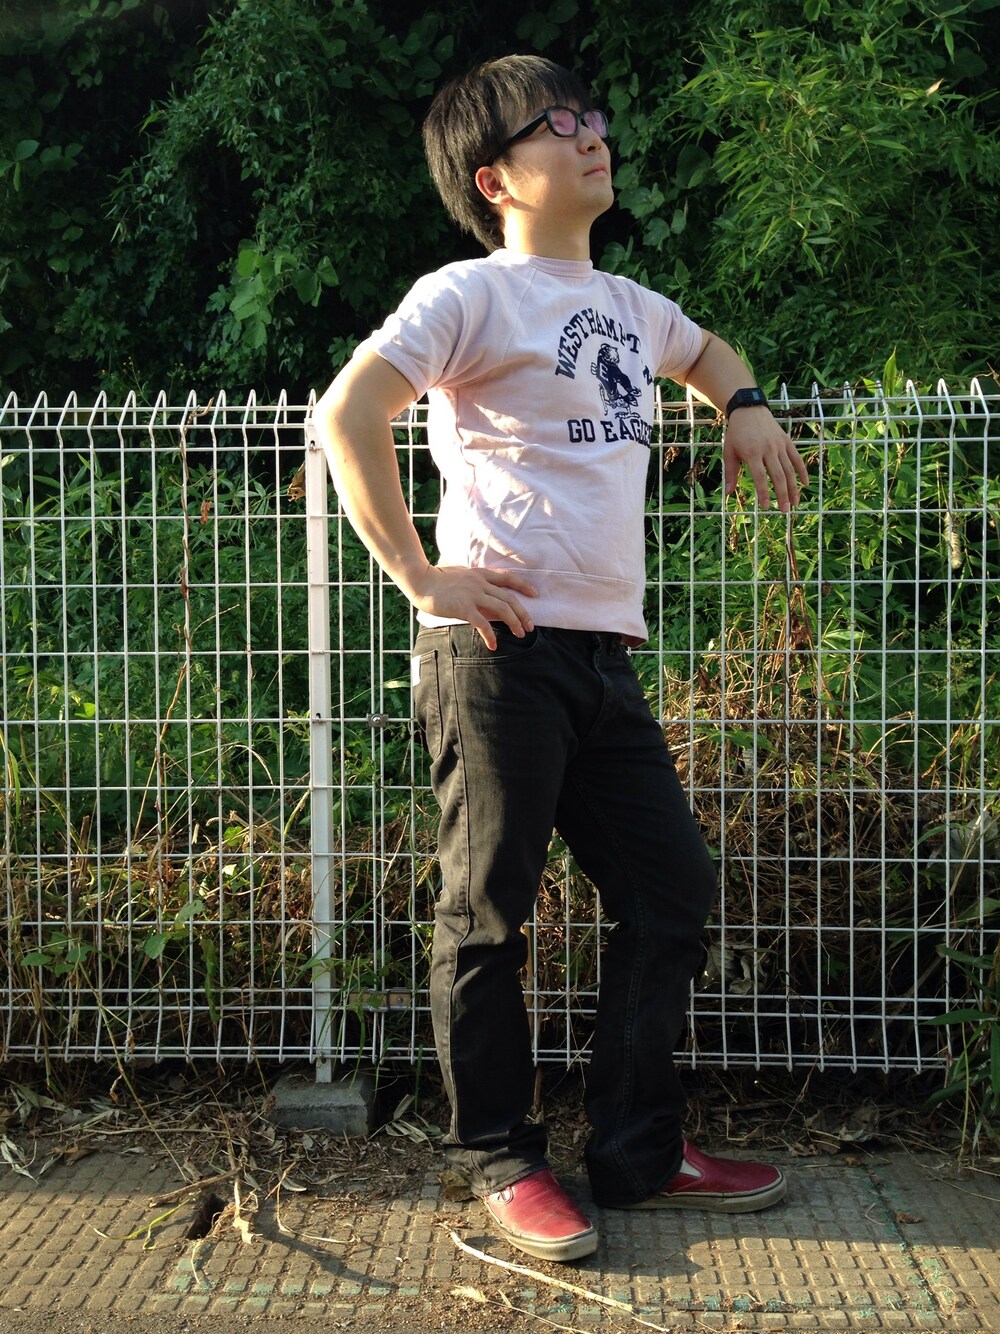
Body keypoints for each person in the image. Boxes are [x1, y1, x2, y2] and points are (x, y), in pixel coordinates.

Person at [314, 54, 808, 1264]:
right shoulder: (468, 294)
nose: (592, 135)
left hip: (602, 658)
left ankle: (637, 1154)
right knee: (488, 913)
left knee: (668, 889)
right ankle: (498, 1157)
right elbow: (348, 413)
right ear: (495, 178)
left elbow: (708, 352)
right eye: (558, 123)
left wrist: (741, 402)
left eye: (592, 116)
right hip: (494, 653)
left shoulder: (632, 305)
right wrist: (421, 575)